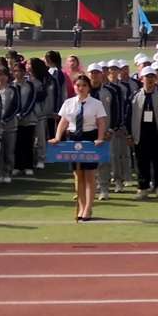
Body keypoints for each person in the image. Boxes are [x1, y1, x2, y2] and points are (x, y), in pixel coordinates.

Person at [51, 73, 108, 222]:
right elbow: (63, 121)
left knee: (90, 175)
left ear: (89, 87)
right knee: (78, 175)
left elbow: (101, 122)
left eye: (84, 85)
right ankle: (82, 206)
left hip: (90, 138)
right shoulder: (69, 103)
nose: (81, 88)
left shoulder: (96, 103)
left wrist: (100, 138)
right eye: (78, 85)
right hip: (73, 138)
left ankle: (88, 208)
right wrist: (58, 137)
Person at [129, 66, 158, 201]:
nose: (150, 79)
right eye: (147, 77)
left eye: (152, 76)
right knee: (142, 163)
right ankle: (143, 188)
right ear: (142, 79)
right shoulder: (135, 96)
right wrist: (129, 134)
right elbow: (128, 116)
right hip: (140, 134)